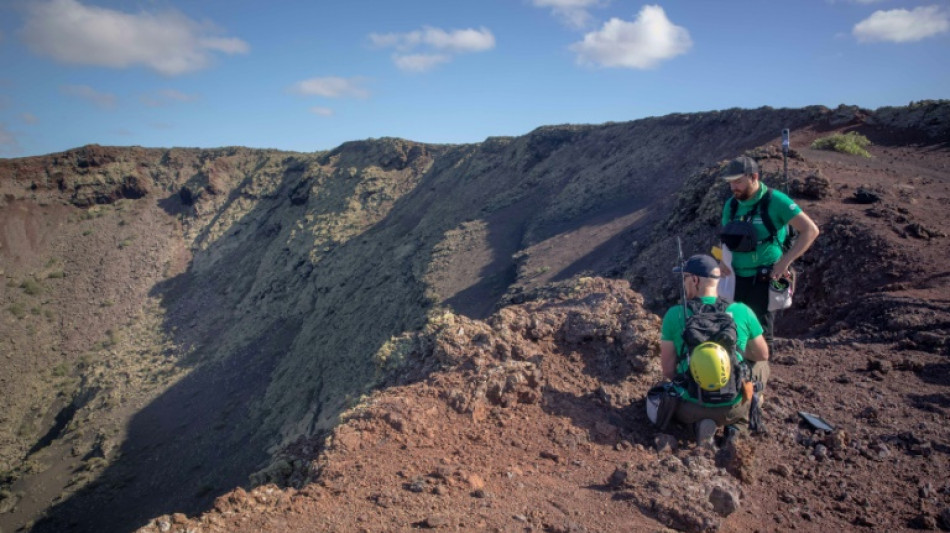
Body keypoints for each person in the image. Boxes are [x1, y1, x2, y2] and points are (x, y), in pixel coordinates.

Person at [659, 254, 770, 446]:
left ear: (694, 280)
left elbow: (668, 370)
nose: (684, 284)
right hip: (734, 406)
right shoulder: (741, 310)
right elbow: (762, 353)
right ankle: (737, 427)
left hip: (690, 407)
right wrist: (736, 355)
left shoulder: (674, 314)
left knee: (679, 390)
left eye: (685, 278)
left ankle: (698, 426)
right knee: (762, 364)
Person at [719, 156, 819, 347]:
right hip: (735, 279)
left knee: (760, 333)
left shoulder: (775, 201)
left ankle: (758, 374)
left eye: (738, 182)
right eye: (731, 183)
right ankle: (739, 372)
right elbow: (726, 236)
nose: (734, 188)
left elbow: (810, 230)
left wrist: (785, 262)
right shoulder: (731, 205)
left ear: (754, 177)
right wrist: (723, 260)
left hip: (764, 278)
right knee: (734, 329)